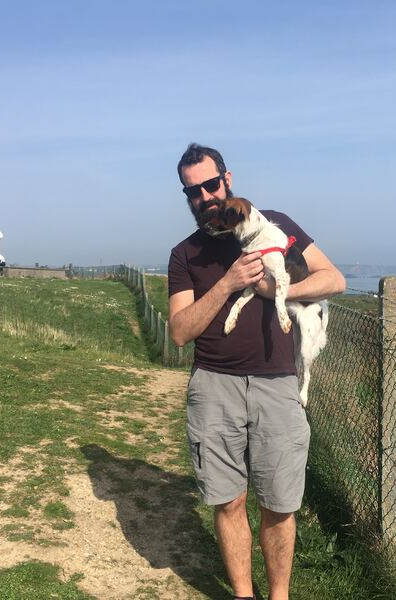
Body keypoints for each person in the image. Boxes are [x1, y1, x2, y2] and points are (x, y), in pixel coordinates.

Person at [168, 143, 345, 600]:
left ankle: (279, 596)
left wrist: (276, 292)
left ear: (227, 178)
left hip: (278, 384)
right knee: (229, 502)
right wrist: (227, 283)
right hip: (215, 386)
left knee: (280, 505)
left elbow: (334, 279)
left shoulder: (275, 225)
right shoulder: (185, 255)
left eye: (210, 184)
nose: (204, 197)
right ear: (186, 197)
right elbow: (180, 332)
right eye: (193, 192)